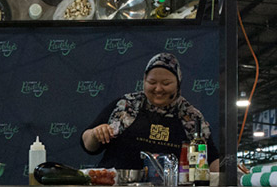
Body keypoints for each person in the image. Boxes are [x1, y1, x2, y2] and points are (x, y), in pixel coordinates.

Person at [81, 52, 219, 171]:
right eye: (152, 83)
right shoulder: (125, 105)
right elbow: (88, 146)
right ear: (144, 81)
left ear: (178, 84)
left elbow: (211, 160)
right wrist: (95, 134)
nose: (158, 89)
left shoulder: (191, 117)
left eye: (166, 83)